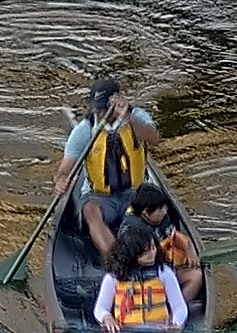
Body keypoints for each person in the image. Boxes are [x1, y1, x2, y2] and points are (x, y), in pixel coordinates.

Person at [52, 77, 161, 257]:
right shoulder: (84, 130)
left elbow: (154, 139)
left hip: (135, 192)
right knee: (90, 211)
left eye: (103, 107)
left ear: (116, 100)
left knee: (145, 215)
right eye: (96, 107)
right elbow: (63, 171)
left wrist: (128, 118)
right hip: (100, 196)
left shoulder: (137, 117)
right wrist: (60, 181)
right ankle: (114, 259)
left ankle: (140, 246)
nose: (99, 112)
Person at [89, 229, 187, 333]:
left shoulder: (164, 273)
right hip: (125, 331)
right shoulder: (114, 277)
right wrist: (107, 317)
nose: (153, 253)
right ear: (131, 255)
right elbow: (100, 308)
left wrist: (176, 323)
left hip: (157, 331)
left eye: (152, 248)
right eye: (145, 251)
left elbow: (179, 306)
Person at [121, 183, 203, 302]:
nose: (165, 211)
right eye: (161, 208)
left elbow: (173, 235)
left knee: (196, 276)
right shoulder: (133, 231)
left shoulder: (160, 218)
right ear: (145, 212)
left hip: (163, 267)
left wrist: (189, 249)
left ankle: (175, 307)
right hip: (142, 276)